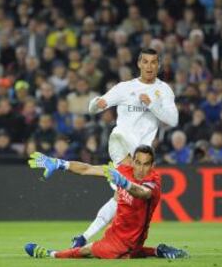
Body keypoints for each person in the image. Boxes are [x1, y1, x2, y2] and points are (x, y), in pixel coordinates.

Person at [75, 48, 178, 248]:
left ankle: (84, 238)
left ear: (158, 65)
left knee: (120, 196)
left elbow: (173, 120)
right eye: (145, 62)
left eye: (153, 62)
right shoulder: (124, 88)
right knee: (120, 135)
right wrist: (98, 103)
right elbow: (93, 108)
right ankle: (103, 240)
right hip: (120, 143)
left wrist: (153, 105)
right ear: (139, 64)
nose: (149, 66)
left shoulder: (163, 90)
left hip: (141, 155)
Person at [24, 145, 187, 260]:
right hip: (121, 236)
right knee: (132, 251)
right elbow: (87, 169)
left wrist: (124, 184)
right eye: (138, 163)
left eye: (146, 164)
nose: (141, 169)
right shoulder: (124, 171)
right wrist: (61, 164)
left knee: (84, 251)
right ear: (133, 162)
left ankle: (49, 254)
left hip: (123, 243)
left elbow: (144, 193)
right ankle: (158, 251)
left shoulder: (153, 181)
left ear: (152, 165)